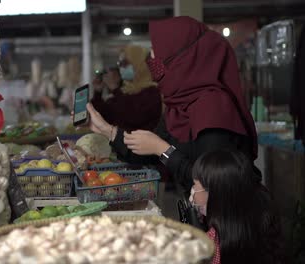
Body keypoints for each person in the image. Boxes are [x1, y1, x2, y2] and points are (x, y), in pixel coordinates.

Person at [86, 16, 259, 193]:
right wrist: (106, 130)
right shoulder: (179, 104)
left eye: (158, 51)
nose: (152, 57)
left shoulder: (213, 107)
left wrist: (162, 149)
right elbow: (146, 147)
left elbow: (210, 184)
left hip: (230, 217)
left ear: (181, 59)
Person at [191, 150, 283, 264]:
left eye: (195, 185)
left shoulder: (210, 245)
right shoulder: (262, 221)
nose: (193, 191)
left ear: (216, 196)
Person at [91, 45, 162, 132]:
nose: (121, 68)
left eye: (125, 63)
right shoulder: (124, 91)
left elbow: (133, 117)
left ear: (138, 64)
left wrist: (114, 88)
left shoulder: (152, 92)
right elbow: (103, 117)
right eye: (119, 64)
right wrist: (98, 92)